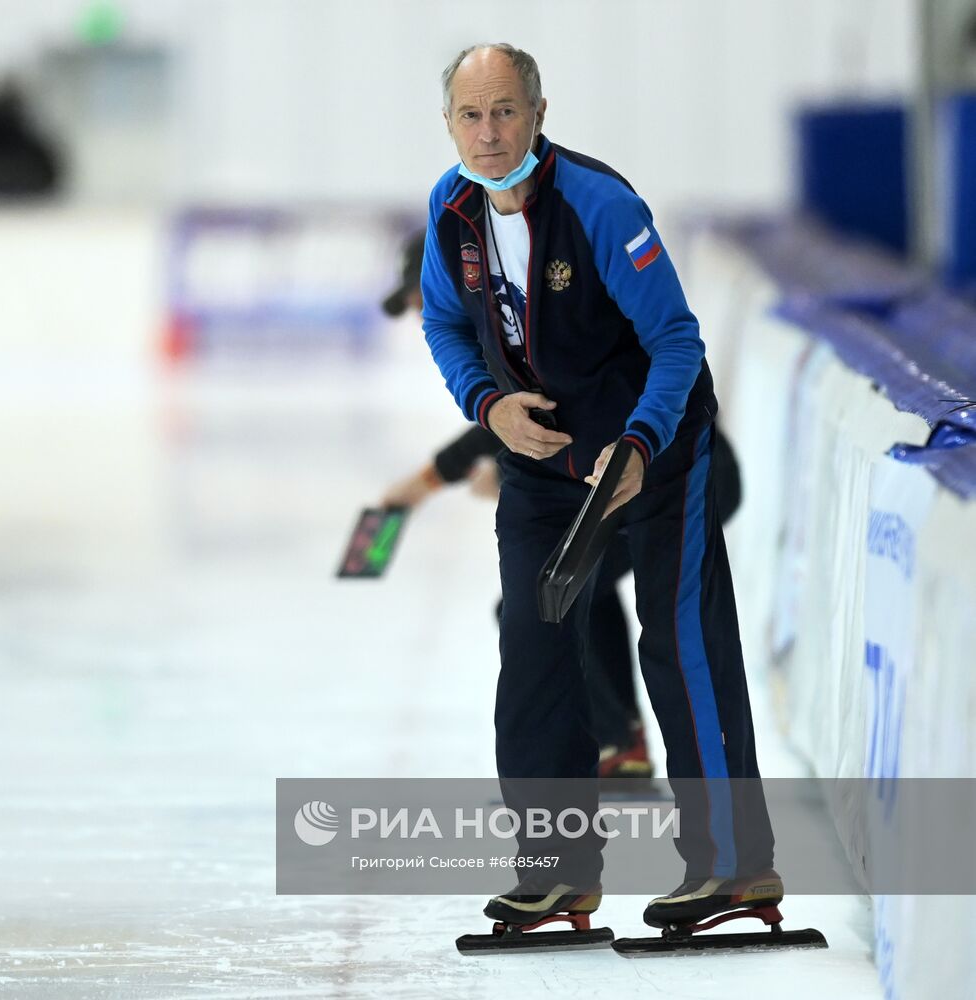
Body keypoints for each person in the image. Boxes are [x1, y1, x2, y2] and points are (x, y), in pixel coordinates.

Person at [420, 43, 778, 934]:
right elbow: (441, 321)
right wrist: (489, 404)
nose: (489, 133)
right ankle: (558, 872)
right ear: (449, 123)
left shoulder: (599, 204)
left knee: (680, 644)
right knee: (534, 657)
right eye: (472, 115)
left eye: (506, 111)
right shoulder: (451, 208)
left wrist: (639, 445)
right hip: (541, 464)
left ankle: (733, 868)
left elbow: (678, 343)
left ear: (540, 112)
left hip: (657, 454)